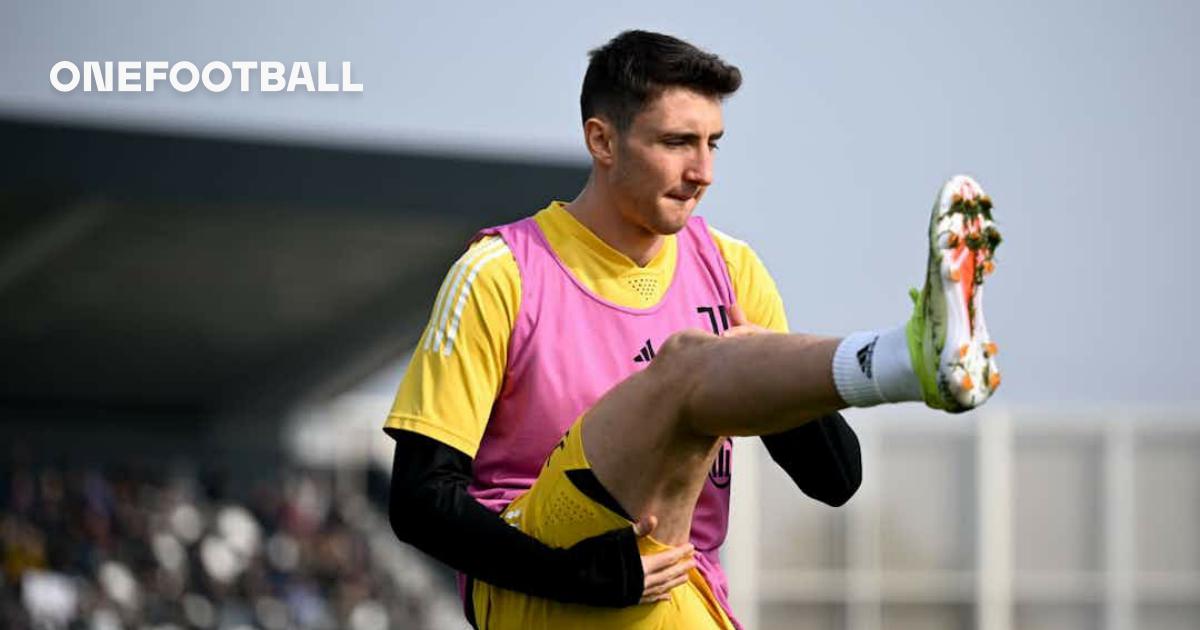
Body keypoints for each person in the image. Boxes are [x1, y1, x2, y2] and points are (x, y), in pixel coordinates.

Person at [385, 29, 1000, 628]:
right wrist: (575, 574)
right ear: (602, 141)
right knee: (685, 363)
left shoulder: (731, 268)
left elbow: (835, 481)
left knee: (709, 366)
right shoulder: (501, 273)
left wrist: (762, 369)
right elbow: (420, 502)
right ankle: (902, 356)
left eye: (714, 144)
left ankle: (908, 358)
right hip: (541, 585)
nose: (703, 171)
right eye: (678, 142)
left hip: (680, 590)